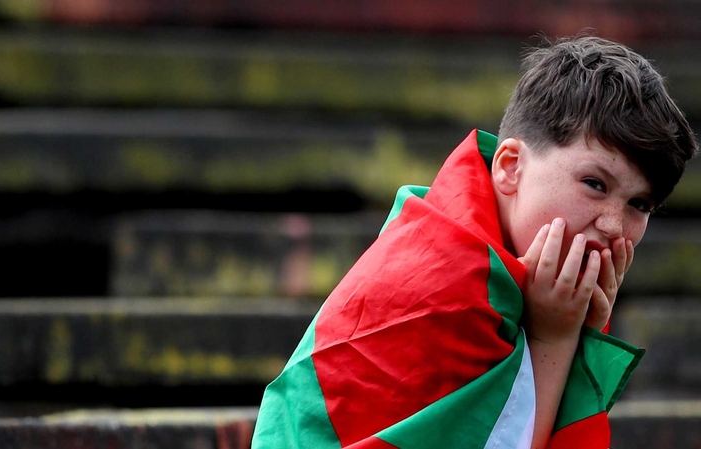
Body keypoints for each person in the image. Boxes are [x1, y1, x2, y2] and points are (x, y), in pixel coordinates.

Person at [252, 35, 697, 449]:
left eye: (640, 204)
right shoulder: (441, 274)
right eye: (595, 184)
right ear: (509, 168)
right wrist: (555, 337)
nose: (616, 227)